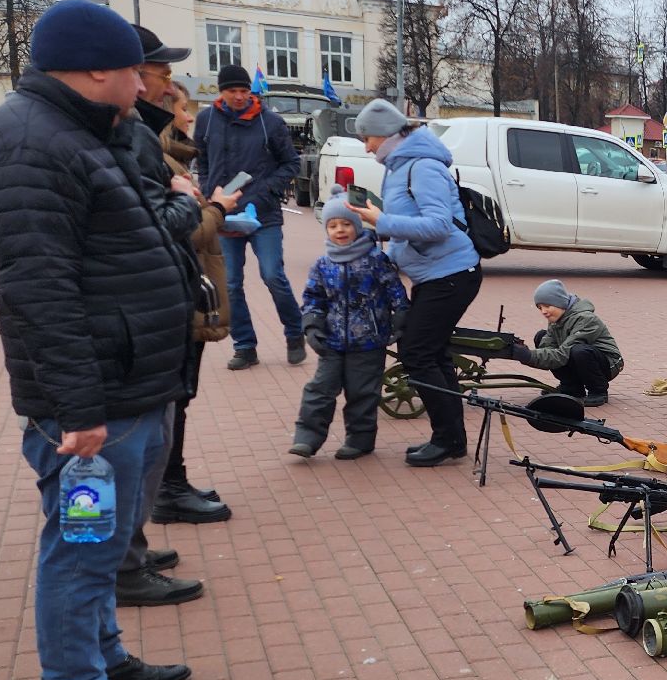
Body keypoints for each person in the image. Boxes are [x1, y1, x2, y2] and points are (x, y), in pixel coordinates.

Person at [0, 0, 193, 680]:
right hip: (94, 410)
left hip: (126, 389)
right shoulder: (30, 144)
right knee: (81, 552)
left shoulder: (82, 132)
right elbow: (39, 289)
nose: (147, 80)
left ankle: (104, 659)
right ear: (99, 68)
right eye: (136, 66)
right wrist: (79, 410)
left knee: (101, 545)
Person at [110, 25, 216, 607]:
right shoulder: (105, 137)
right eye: (157, 72)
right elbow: (149, 225)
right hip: (115, 337)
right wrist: (195, 201)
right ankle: (121, 569)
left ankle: (131, 550)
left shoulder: (130, 131)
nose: (168, 83)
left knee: (147, 444)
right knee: (114, 466)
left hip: (144, 317)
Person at [343, 99, 482, 467]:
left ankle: (447, 438)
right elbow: (410, 229)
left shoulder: (421, 167)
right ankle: (451, 439)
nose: (365, 146)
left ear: (385, 135)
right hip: (435, 274)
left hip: (452, 273)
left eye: (367, 138)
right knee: (431, 353)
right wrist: (376, 243)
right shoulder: (400, 166)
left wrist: (381, 222)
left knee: (416, 352)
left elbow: (437, 225)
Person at [148, 77, 234, 528]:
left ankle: (173, 480)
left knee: (179, 395)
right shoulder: (159, 163)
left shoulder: (171, 159)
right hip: (176, 292)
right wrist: (216, 209)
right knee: (173, 396)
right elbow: (177, 231)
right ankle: (168, 490)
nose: (189, 118)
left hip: (185, 288)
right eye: (183, 110)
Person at [195, 63, 303, 370]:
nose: (239, 96)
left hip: (263, 214)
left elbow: (291, 164)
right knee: (230, 284)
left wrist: (263, 192)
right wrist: (208, 189)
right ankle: (245, 346)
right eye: (233, 91)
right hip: (223, 216)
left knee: (273, 276)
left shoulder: (270, 122)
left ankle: (295, 334)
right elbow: (202, 161)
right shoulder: (206, 119)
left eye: (244, 90)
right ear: (221, 91)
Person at [289, 193, 407, 458]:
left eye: (346, 224)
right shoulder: (322, 264)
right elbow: (313, 298)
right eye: (333, 226)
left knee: (362, 392)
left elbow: (394, 290)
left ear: (358, 225)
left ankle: (360, 440)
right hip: (331, 340)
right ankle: (307, 437)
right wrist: (311, 325)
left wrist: (400, 316)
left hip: (368, 341)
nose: (339, 230)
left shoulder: (375, 260)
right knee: (320, 389)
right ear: (326, 230)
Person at [519, 279, 622, 406]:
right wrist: (522, 353)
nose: (543, 311)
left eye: (547, 306)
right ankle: (571, 388)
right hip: (577, 356)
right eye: (540, 308)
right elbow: (549, 350)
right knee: (541, 337)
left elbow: (563, 354)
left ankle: (598, 391)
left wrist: (527, 356)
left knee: (578, 350)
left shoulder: (585, 319)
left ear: (560, 303)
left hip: (608, 364)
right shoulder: (556, 319)